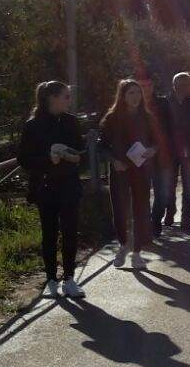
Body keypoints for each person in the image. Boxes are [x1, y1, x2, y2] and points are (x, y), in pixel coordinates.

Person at [17, 80, 86, 299]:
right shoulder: (32, 125)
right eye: (65, 96)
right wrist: (49, 159)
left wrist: (74, 157)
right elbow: (24, 159)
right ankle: (51, 279)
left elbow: (80, 152)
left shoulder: (72, 122)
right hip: (45, 186)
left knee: (70, 232)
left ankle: (69, 278)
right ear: (51, 98)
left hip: (69, 184)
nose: (69, 100)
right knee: (49, 233)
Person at [100, 78, 156, 270]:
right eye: (131, 93)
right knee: (120, 209)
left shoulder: (147, 117)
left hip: (140, 169)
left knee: (140, 209)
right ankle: (123, 244)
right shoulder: (111, 118)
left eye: (138, 93)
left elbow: (156, 142)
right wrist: (114, 161)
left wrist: (152, 150)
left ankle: (137, 252)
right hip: (120, 169)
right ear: (122, 96)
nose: (136, 97)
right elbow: (102, 146)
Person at [144, 72, 178, 238]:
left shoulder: (163, 104)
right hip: (140, 157)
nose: (145, 89)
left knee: (163, 193)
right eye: (140, 86)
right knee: (144, 193)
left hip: (161, 155)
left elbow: (171, 130)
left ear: (152, 86)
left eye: (147, 85)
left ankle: (157, 220)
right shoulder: (131, 105)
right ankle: (151, 223)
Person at [169, 71, 190, 230]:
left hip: (189, 148)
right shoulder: (166, 102)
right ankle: (170, 211)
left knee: (188, 184)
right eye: (189, 84)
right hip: (170, 150)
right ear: (178, 86)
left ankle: (186, 218)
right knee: (170, 184)